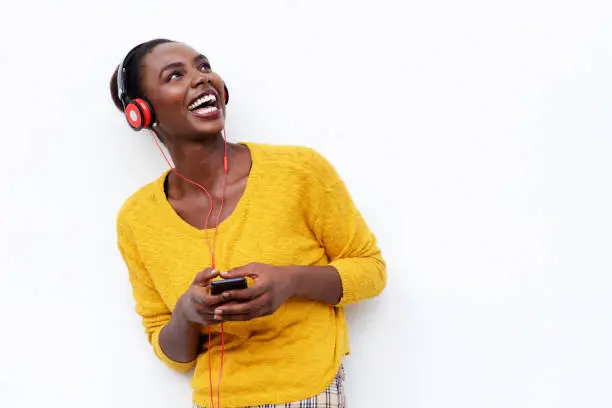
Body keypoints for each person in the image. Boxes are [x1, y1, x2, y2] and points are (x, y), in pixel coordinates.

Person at [110, 38, 386, 408]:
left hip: (309, 391)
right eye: (176, 75)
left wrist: (290, 282)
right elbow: (172, 353)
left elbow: (371, 270)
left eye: (205, 67)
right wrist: (188, 314)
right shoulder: (137, 219)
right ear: (142, 113)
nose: (202, 79)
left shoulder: (299, 171)